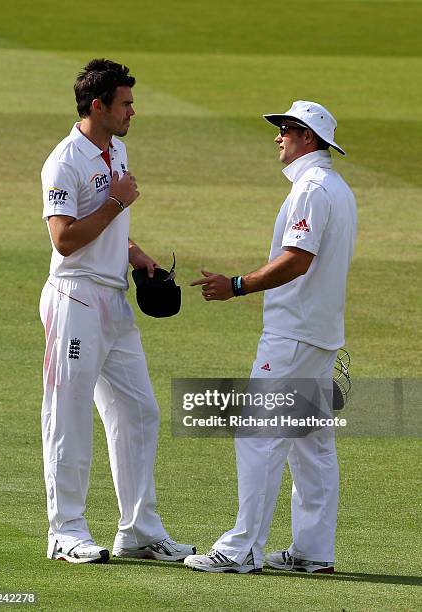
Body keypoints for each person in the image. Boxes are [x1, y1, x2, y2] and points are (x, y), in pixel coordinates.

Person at [185, 101, 357, 574]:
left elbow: (297, 260)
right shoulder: (336, 188)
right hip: (319, 335)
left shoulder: (311, 189)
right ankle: (313, 551)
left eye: (284, 129)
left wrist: (237, 284)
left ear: (306, 135)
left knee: (258, 436)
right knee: (311, 444)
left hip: (293, 335)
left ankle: (242, 548)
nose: (277, 137)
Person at [39, 58, 195, 564]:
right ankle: (65, 531)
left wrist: (135, 254)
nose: (133, 110)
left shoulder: (116, 148)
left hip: (114, 299)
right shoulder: (64, 160)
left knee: (139, 411)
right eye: (125, 103)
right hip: (75, 298)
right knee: (69, 415)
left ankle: (140, 532)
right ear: (98, 106)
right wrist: (117, 204)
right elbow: (64, 239)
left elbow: (106, 227)